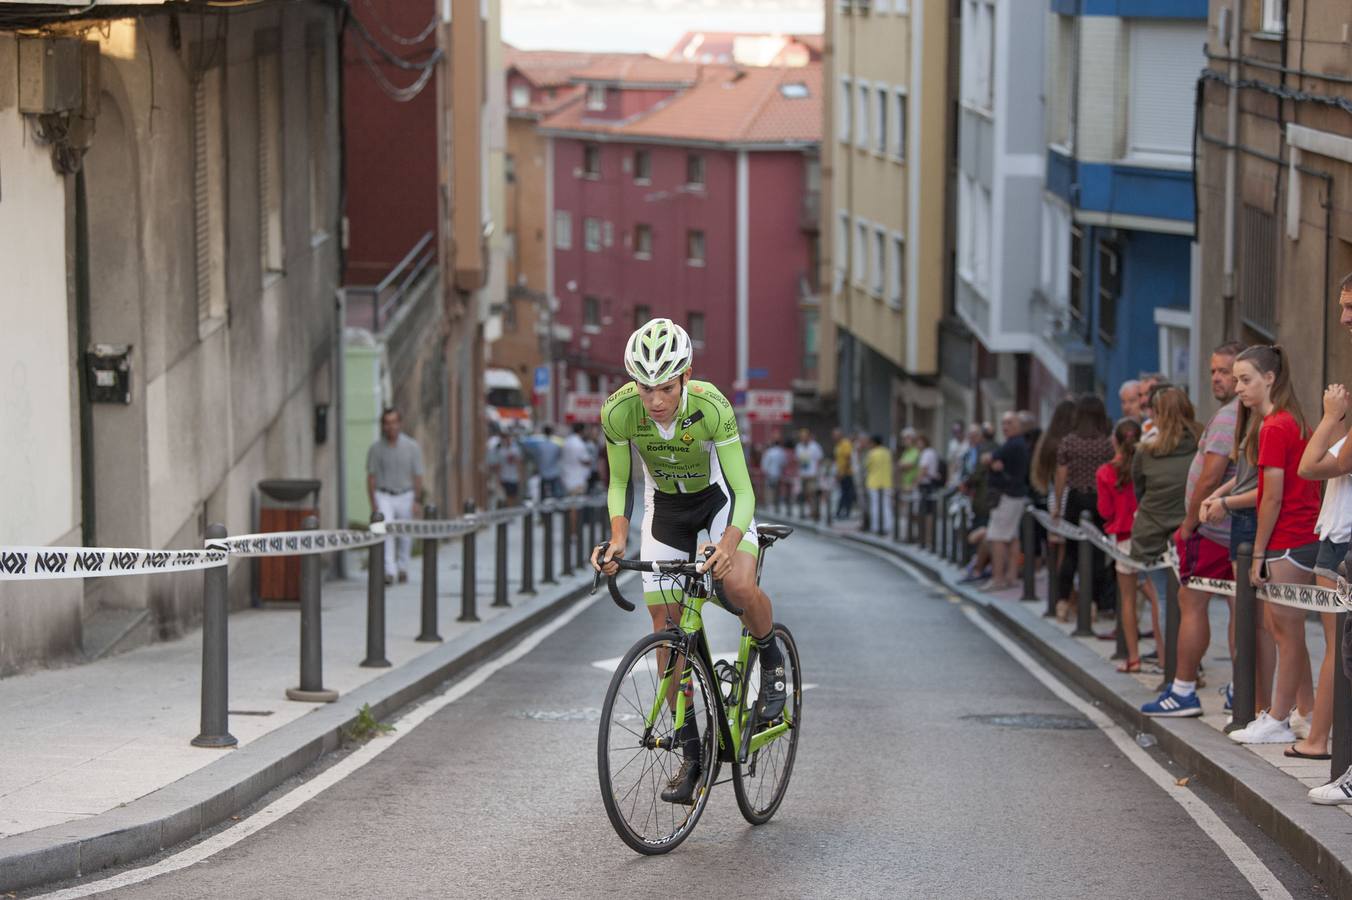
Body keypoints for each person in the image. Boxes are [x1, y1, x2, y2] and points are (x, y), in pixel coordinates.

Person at [591, 318, 786, 805]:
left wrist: (729, 545)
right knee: (666, 627)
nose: (655, 400)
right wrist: (617, 539)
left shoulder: (711, 406)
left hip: (719, 501)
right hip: (666, 509)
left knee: (737, 588)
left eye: (666, 387)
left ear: (686, 376)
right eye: (645, 388)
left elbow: (743, 490)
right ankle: (692, 752)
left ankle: (771, 660)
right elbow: (620, 482)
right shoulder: (618, 412)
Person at [1142, 343, 1243, 716]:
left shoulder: (1229, 417)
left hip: (1213, 531)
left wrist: (1188, 526)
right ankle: (1240, 689)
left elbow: (1211, 475)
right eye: (1214, 371)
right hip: (1233, 530)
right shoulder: (1246, 414)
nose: (1217, 378)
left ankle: (1183, 689)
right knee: (1239, 609)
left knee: (1192, 604)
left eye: (1225, 372)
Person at [1226, 346, 1320, 745]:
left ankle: (1279, 718)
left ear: (1269, 378)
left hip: (1288, 539)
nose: (1238, 388)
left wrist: (1259, 552)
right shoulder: (1287, 422)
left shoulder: (1274, 426)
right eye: (1236, 380)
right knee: (1287, 628)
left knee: (1286, 630)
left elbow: (1271, 497)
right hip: (1298, 536)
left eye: (1245, 379)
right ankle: (1306, 712)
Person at [1287, 382, 1352, 759]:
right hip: (1337, 541)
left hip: (1340, 544)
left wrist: (1329, 416)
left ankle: (1318, 740)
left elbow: (1308, 467)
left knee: (1336, 648)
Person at [1119, 386, 1201, 672]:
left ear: (1156, 414)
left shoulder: (1145, 452)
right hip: (1191, 532)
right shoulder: (1201, 445)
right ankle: (1190, 669)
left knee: (1165, 600)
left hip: (1152, 533)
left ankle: (1176, 671)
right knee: (1194, 605)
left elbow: (1140, 491)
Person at [1052, 394, 1116, 620]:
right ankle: (1092, 604)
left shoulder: (1069, 442)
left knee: (1070, 552)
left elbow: (1061, 475)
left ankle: (1062, 602)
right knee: (1097, 553)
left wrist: (1057, 504)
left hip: (1075, 499)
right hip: (1099, 499)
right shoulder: (1106, 444)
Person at [1098, 418, 1145, 641]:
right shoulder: (1147, 465)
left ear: (1115, 441)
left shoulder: (1106, 471)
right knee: (1157, 595)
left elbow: (1105, 511)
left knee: (1127, 598)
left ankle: (1132, 654)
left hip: (1124, 536)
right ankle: (1165, 654)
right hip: (1148, 533)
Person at [366, 408, 425, 585]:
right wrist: (373, 503)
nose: (391, 426)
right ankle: (389, 570)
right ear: (383, 426)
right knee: (386, 531)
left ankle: (403, 567)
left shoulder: (412, 447)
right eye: (387, 423)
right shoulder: (376, 449)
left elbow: (418, 475)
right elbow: (371, 477)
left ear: (400, 424)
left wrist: (417, 500)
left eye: (394, 422)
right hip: (384, 494)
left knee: (405, 533)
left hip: (406, 494)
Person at [981, 412, 1030, 591]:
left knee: (997, 537)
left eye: (1010, 422)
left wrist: (990, 461)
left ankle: (998, 578)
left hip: (1006, 497)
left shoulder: (1012, 444)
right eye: (1003, 423)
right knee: (1012, 536)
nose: (1005, 426)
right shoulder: (1018, 443)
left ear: (1019, 425)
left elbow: (987, 458)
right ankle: (1011, 576)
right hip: (1015, 495)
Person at [863, 434, 895, 535]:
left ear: (873, 443)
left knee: (875, 506)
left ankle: (876, 527)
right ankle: (888, 526)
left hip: (874, 483)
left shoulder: (872, 453)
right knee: (886, 505)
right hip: (886, 482)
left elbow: (866, 466)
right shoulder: (887, 452)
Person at [524, 425, 564, 499]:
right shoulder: (555, 445)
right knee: (556, 496)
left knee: (543, 496)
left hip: (543, 473)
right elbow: (559, 457)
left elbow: (536, 457)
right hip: (554, 473)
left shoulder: (539, 446)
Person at [795, 428, 825, 517]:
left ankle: (815, 511)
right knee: (806, 494)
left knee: (813, 493)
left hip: (812, 475)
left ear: (808, 437)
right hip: (803, 475)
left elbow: (819, 459)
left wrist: (817, 472)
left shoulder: (814, 446)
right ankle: (812, 510)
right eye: (801, 437)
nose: (803, 438)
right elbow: (798, 460)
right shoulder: (799, 447)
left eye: (805, 436)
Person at [833, 428, 857, 519]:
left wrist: (843, 472)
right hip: (840, 472)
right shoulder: (838, 445)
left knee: (846, 493)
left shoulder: (845, 444)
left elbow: (848, 458)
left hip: (847, 473)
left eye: (836, 435)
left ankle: (845, 512)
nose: (834, 437)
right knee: (843, 492)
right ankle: (840, 512)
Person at [761, 439, 787, 513]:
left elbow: (765, 463)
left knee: (769, 490)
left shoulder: (769, 452)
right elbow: (784, 463)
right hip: (778, 474)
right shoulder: (781, 452)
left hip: (770, 473)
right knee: (777, 490)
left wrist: (765, 471)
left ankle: (770, 505)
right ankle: (776, 506)